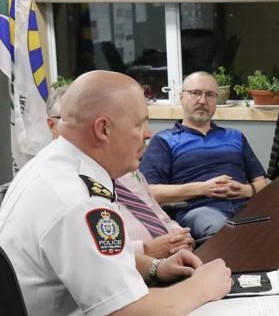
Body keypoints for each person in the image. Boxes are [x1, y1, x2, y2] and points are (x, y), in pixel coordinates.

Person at [0, 71, 232, 316]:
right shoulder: (78, 200)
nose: (148, 133)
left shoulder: (49, 166)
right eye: (139, 123)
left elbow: (84, 256)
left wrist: (153, 267)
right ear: (104, 129)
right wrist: (202, 287)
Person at [45, 84, 195, 259]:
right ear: (52, 125)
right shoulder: (63, 184)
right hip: (137, 273)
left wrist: (179, 236)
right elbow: (89, 256)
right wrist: (146, 251)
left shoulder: (126, 167)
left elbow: (159, 215)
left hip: (171, 261)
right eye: (70, 120)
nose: (147, 133)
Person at [139, 71, 268, 239]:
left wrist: (247, 190)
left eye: (210, 95)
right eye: (195, 93)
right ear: (181, 97)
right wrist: (203, 188)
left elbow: (261, 182)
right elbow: (149, 192)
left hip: (245, 206)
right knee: (223, 231)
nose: (202, 100)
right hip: (200, 211)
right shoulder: (164, 140)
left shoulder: (235, 136)